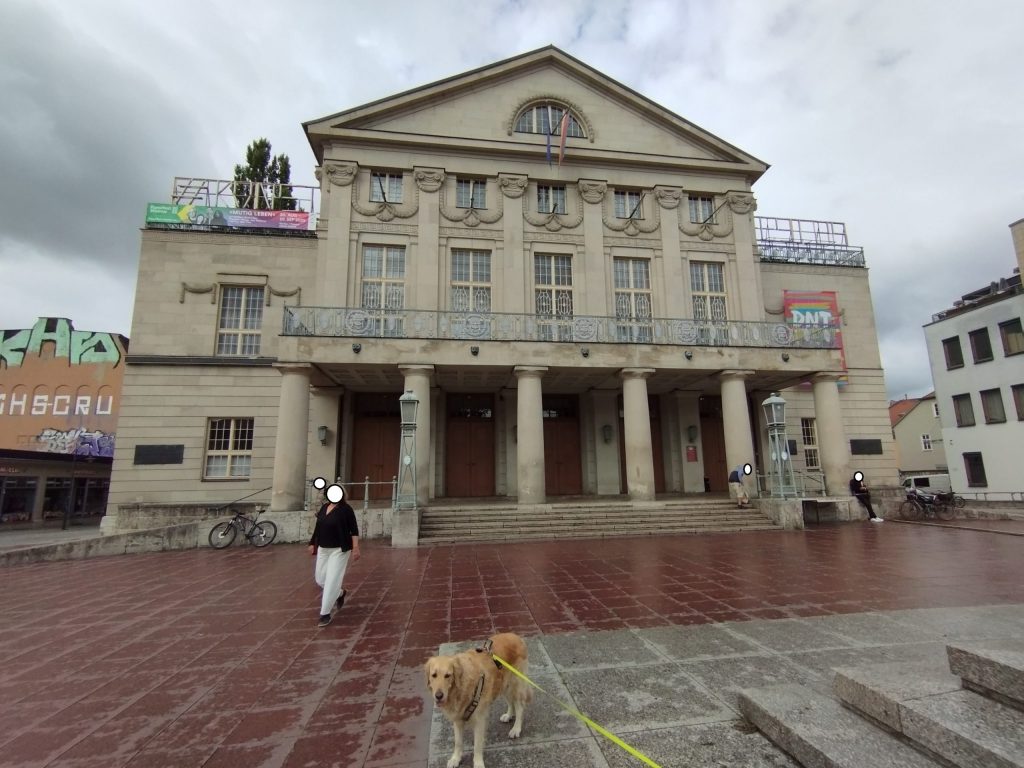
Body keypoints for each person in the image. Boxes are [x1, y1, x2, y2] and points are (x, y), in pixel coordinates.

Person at [308, 479, 361, 627]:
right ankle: (339, 593)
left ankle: (325, 614)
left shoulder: (346, 509)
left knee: (332, 580)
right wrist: (312, 543)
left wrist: (355, 547)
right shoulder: (324, 507)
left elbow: (354, 530)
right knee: (320, 579)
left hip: (340, 549)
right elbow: (318, 527)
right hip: (324, 549)